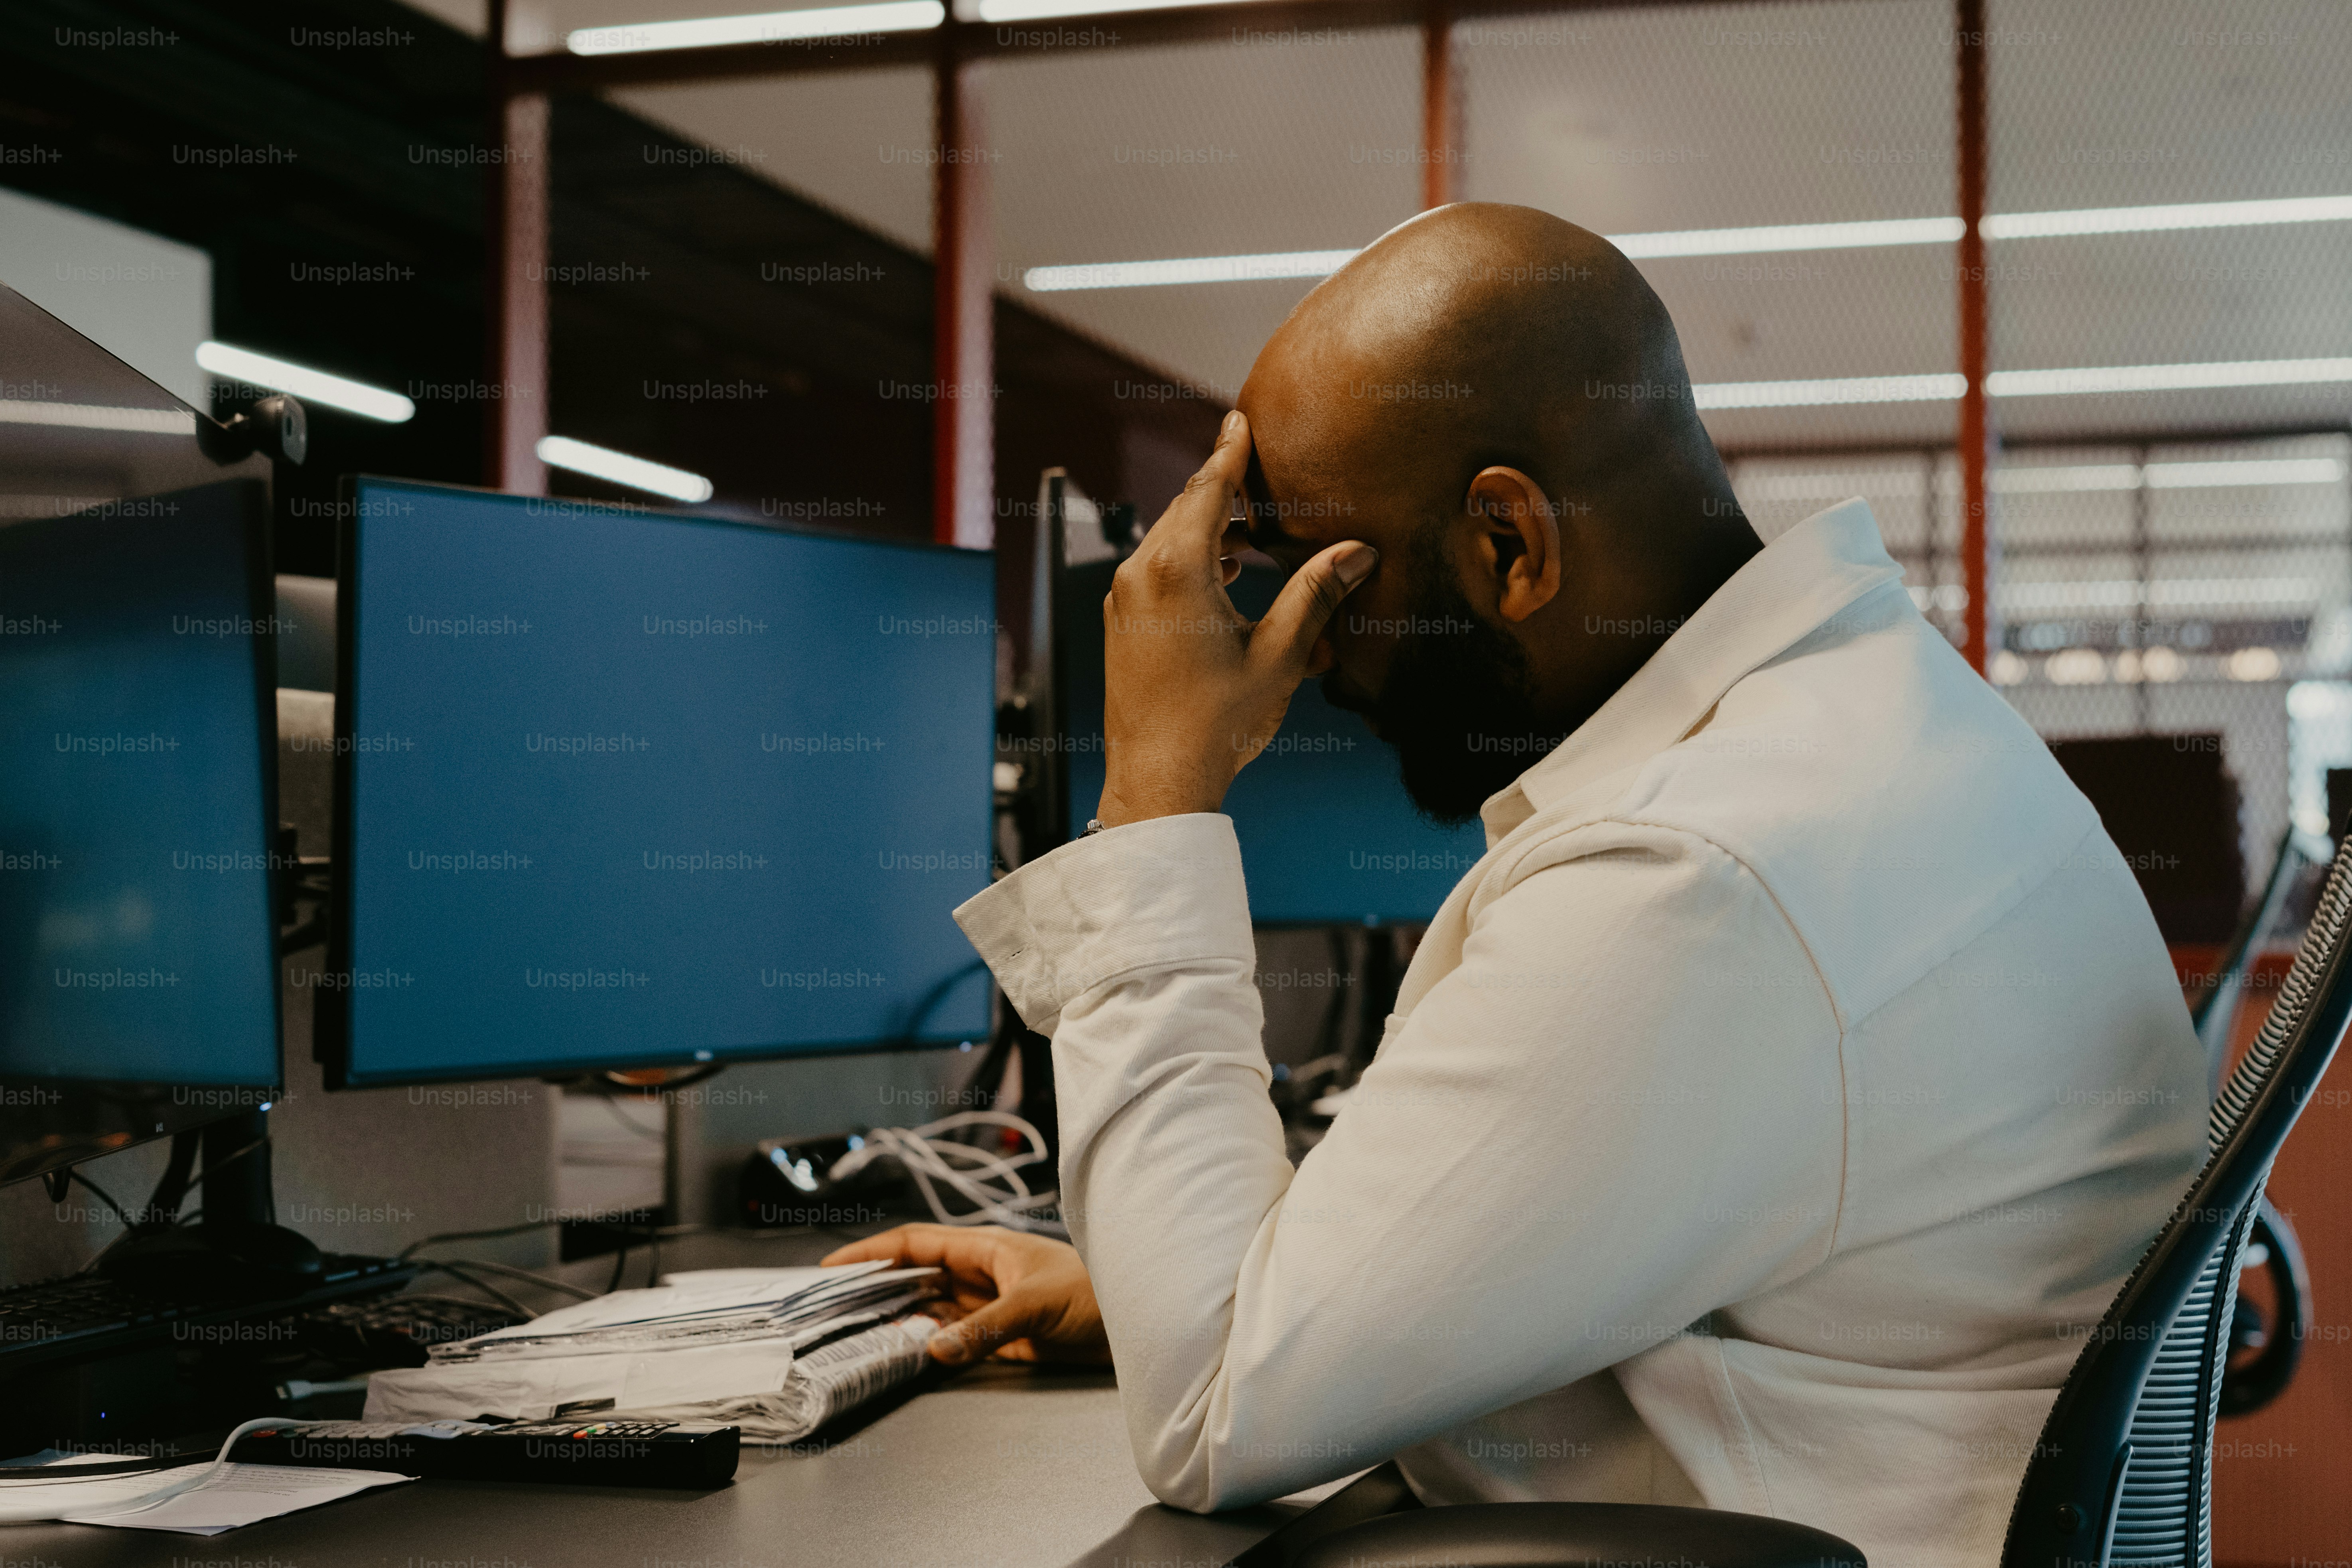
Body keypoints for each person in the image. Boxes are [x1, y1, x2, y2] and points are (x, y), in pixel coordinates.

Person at [827, 203, 2203, 1567]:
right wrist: (1167, 1294)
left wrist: (1151, 797)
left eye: (1321, 577)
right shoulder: (1859, 725)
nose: (1302, 658)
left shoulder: (1696, 872)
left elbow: (1208, 1416)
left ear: (1508, 546)